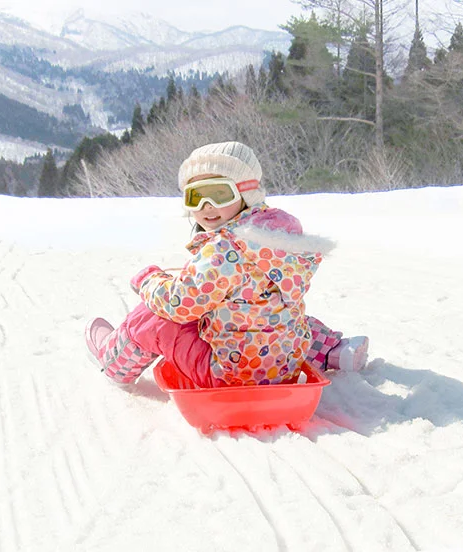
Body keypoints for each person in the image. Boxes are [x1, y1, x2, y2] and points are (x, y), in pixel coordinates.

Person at [85, 141, 368, 388]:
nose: (206, 206)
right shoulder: (279, 239)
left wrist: (149, 280)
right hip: (285, 367)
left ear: (246, 192)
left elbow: (179, 303)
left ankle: (113, 361)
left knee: (151, 318)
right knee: (270, 313)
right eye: (196, 196)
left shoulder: (225, 248)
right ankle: (333, 351)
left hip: (229, 375)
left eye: (219, 194)